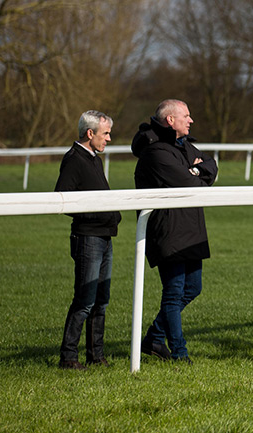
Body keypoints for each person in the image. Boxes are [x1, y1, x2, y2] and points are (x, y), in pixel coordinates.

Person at [131, 99, 217, 364]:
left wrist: (196, 170)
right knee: (174, 291)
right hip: (167, 229)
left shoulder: (183, 145)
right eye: (186, 116)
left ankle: (154, 338)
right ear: (171, 120)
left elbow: (211, 167)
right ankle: (180, 353)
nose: (191, 121)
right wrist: (195, 171)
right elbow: (189, 183)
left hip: (190, 226)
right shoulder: (155, 150)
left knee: (193, 288)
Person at [55, 110, 122, 370]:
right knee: (85, 301)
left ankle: (96, 356)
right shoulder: (73, 159)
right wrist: (101, 213)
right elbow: (63, 198)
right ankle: (69, 357)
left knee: (101, 301)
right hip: (87, 238)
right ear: (90, 133)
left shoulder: (94, 158)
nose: (109, 138)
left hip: (104, 237)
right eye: (105, 133)